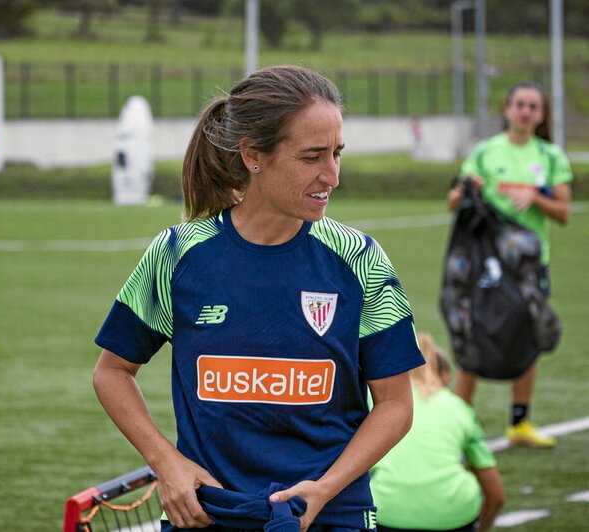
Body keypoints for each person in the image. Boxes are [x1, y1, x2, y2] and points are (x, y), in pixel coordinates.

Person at [92, 65, 425, 532]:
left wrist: (324, 489)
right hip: (211, 515)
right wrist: (166, 462)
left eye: (336, 154)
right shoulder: (177, 254)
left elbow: (396, 405)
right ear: (253, 156)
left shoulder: (360, 259)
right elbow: (112, 371)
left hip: (331, 515)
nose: (331, 175)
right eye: (312, 156)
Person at [446, 81, 573, 448]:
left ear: (542, 115)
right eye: (519, 104)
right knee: (474, 331)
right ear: (507, 110)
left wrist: (534, 196)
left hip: (530, 265)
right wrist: (464, 189)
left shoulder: (550, 157)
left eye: (533, 106)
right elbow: (453, 200)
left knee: (529, 335)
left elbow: (564, 212)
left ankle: (519, 423)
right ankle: (458, 422)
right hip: (485, 264)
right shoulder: (485, 152)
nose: (525, 111)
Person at [371, 333, 505, 532]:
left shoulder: (373, 402)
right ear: (444, 375)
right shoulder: (458, 407)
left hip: (387, 512)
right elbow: (496, 495)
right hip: (455, 514)